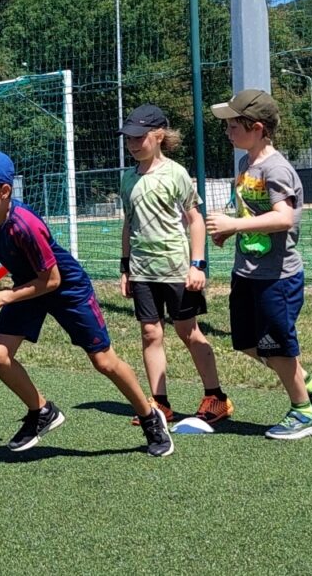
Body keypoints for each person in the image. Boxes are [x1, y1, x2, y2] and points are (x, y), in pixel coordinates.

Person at [0, 151, 173, 457]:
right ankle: (42, 412)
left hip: (65, 288)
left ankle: (151, 417)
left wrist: (3, 295)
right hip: (29, 286)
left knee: (104, 362)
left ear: (5, 191)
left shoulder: (25, 225)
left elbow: (53, 280)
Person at [207, 89, 312, 440]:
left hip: (277, 277)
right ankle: (308, 383)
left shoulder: (277, 168)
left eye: (234, 125)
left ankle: (305, 413)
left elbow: (284, 219)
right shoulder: (245, 164)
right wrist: (230, 232)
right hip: (247, 272)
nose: (228, 131)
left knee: (277, 346)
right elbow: (253, 213)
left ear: (258, 127)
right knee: (247, 342)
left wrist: (234, 225)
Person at [117, 104, 233, 426]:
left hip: (177, 270)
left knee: (188, 331)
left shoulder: (176, 174)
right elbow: (129, 225)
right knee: (150, 332)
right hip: (142, 272)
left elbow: (194, 220)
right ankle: (160, 404)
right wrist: (125, 267)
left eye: (139, 137)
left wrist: (198, 264)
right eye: (129, 138)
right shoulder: (127, 179)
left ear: (158, 135)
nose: (133, 143)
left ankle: (216, 397)